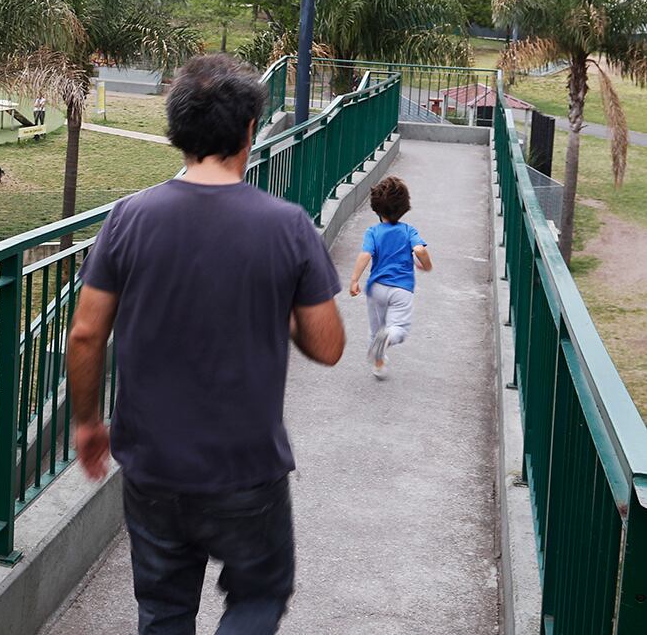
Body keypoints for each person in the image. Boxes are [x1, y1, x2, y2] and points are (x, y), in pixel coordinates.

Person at [67, 54, 345, 635]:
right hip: (248, 470)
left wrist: (90, 423)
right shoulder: (287, 225)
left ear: (177, 131)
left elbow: (87, 332)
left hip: (153, 469)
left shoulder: (128, 218)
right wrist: (284, 300)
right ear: (249, 129)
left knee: (164, 613)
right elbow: (328, 346)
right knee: (258, 598)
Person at [348, 176, 432, 380]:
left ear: (376, 209)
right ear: (404, 207)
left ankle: (379, 364)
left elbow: (365, 255)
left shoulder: (373, 232)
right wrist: (426, 265)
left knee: (376, 331)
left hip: (376, 287)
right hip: (401, 289)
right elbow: (419, 250)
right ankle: (386, 341)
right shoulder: (408, 230)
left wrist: (354, 279)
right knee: (399, 330)